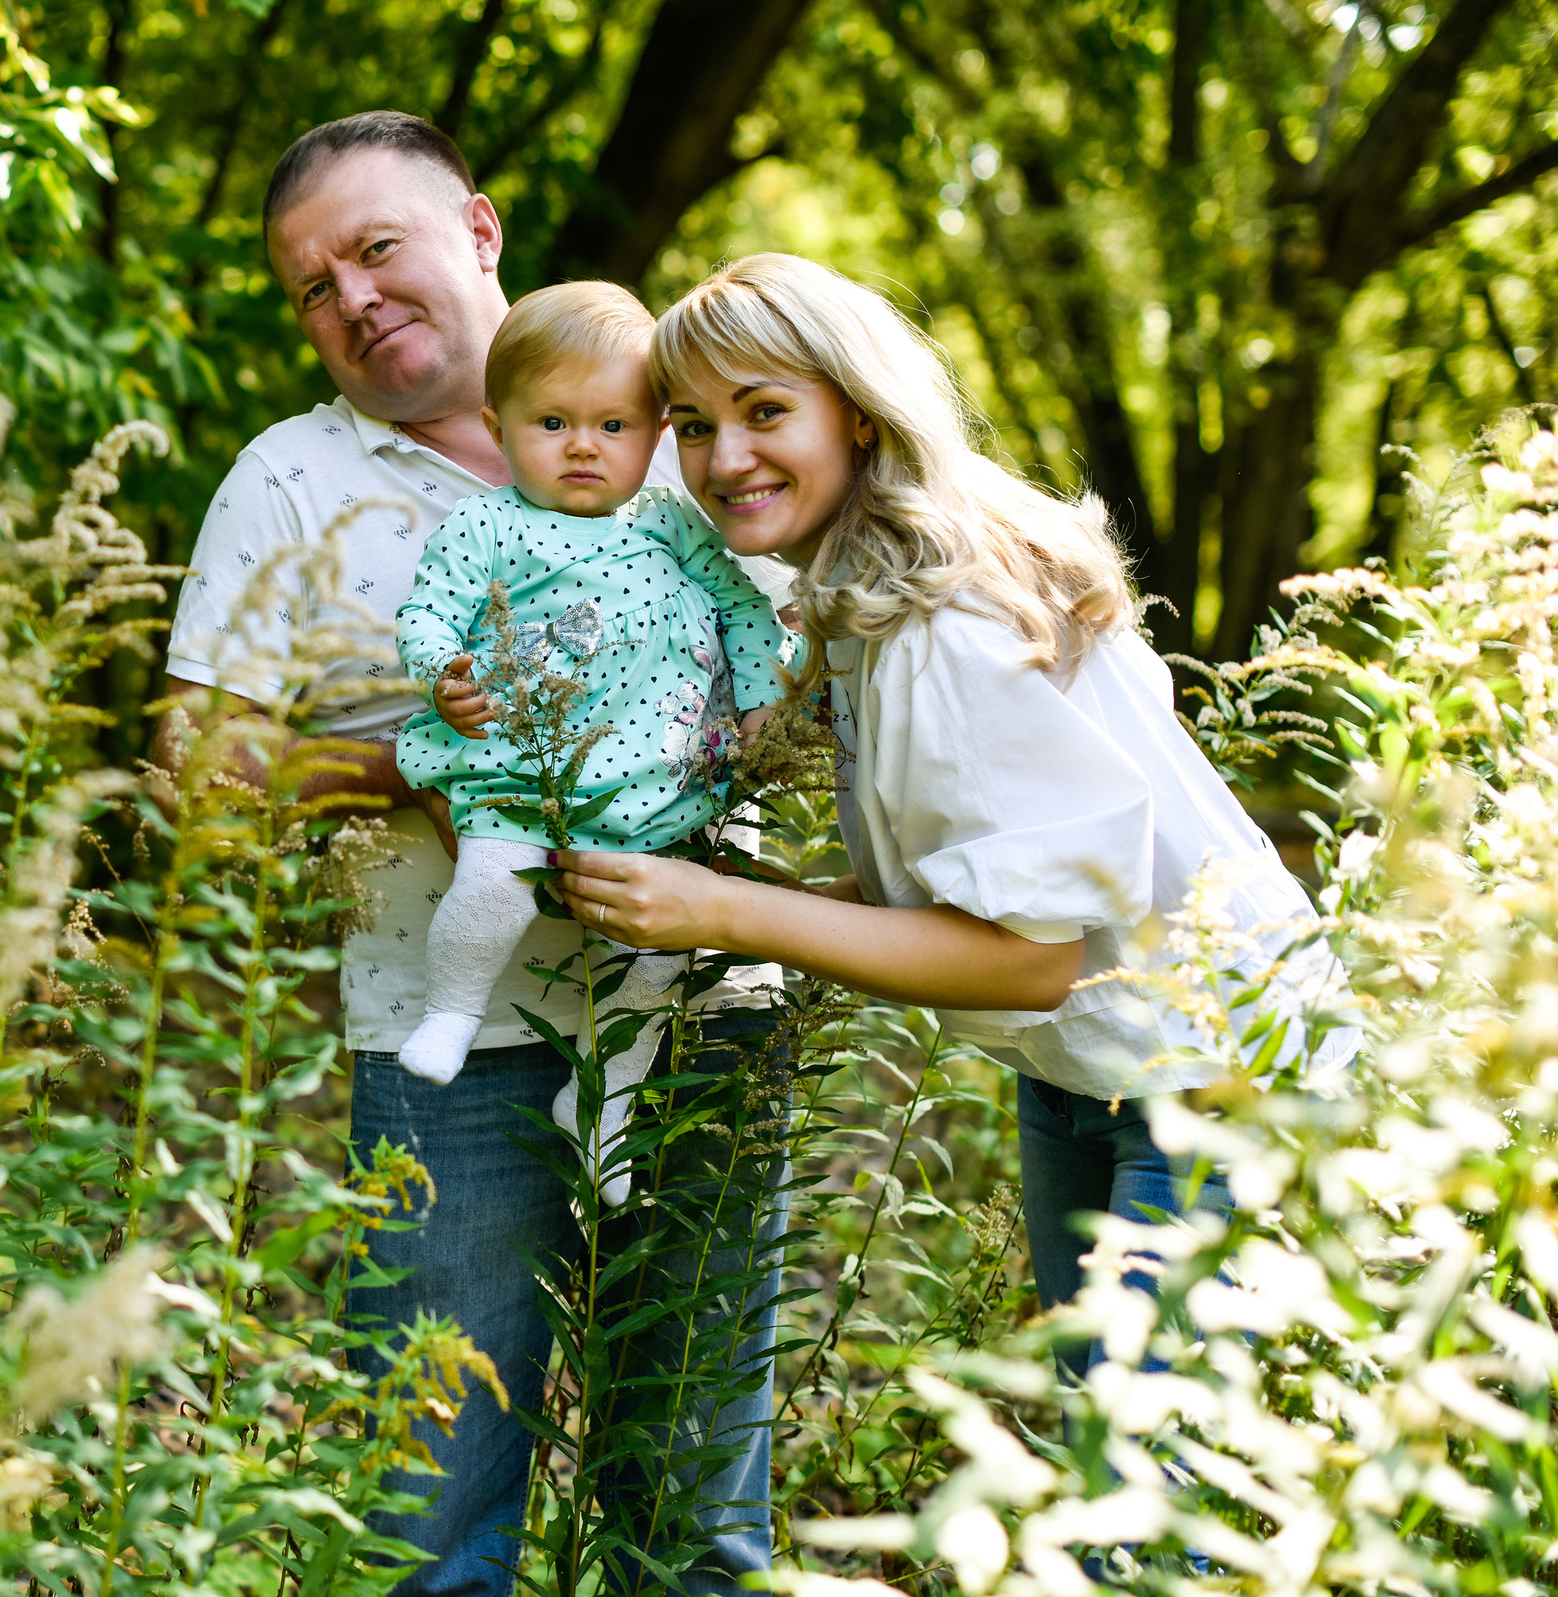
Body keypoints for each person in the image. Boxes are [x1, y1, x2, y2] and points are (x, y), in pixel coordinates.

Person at [159, 115, 788, 1597]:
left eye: (375, 248)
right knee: (431, 1516)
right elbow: (196, 766)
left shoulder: (691, 416)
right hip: (454, 1055)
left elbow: (812, 648)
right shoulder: (292, 479)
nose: (353, 299)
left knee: (696, 1507)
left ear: (481, 230)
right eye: (313, 288)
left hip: (702, 1015)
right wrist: (412, 770)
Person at [544, 252, 1355, 1363]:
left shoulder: (945, 626)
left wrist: (728, 913)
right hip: (1101, 1069)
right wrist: (748, 891)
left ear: (859, 412)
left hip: (1218, 1072)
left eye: (765, 410)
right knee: (1101, 1426)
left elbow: (1030, 956)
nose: (724, 458)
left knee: (1139, 1455)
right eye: (691, 425)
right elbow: (982, 875)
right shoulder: (872, 589)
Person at [392, 280, 791, 1209]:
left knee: (654, 956)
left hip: (652, 791)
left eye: (613, 426)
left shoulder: (668, 522)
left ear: (655, 432)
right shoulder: (488, 525)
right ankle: (452, 1010)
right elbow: (427, 612)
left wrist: (761, 704)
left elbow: (744, 609)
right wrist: (444, 672)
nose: (583, 445)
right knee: (490, 887)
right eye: (553, 423)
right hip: (518, 767)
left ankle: (604, 1100)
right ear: (497, 427)